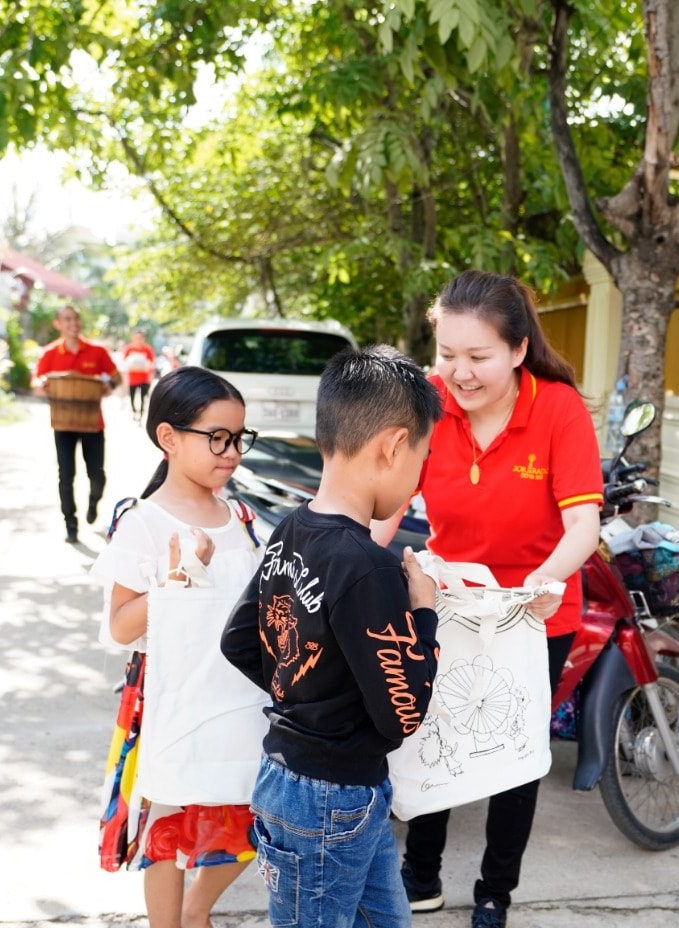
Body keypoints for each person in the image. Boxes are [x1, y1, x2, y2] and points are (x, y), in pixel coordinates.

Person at [374, 270, 604, 928]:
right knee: (433, 732)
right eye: (447, 354)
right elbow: (384, 507)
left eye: (477, 357)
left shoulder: (557, 408)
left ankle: (496, 891)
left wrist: (538, 587)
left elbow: (582, 525)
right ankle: (421, 874)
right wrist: (346, 551)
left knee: (515, 752)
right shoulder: (426, 403)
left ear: (517, 350)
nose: (459, 373)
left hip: (535, 613)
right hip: (449, 600)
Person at [221, 345, 441, 928]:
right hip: (331, 803)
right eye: (420, 459)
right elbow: (404, 712)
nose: (418, 481)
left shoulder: (292, 526)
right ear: (394, 445)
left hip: (302, 784)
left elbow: (241, 642)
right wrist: (423, 613)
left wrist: (309, 699)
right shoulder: (369, 568)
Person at [91, 367, 266, 928]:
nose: (232, 451)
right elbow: (120, 626)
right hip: (171, 701)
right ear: (169, 438)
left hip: (239, 698)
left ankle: (197, 910)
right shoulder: (141, 522)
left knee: (252, 811)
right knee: (165, 828)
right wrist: (174, 579)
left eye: (239, 438)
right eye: (217, 437)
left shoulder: (241, 518)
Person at [33, 305, 118, 543]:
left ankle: (94, 501)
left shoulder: (97, 351)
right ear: (58, 324)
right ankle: (70, 523)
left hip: (93, 423)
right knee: (66, 475)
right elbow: (36, 381)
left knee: (97, 474)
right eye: (67, 319)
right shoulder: (50, 353)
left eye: (76, 319)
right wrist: (41, 385)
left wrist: (107, 386)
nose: (73, 323)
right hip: (63, 423)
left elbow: (115, 377)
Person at [122, 330, 157, 420]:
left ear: (143, 339)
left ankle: (141, 415)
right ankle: (134, 412)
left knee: (143, 398)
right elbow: (124, 363)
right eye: (136, 338)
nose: (138, 340)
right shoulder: (129, 349)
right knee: (132, 398)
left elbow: (152, 363)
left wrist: (150, 376)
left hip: (144, 379)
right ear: (133, 338)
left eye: (140, 338)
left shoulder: (147, 349)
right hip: (132, 379)